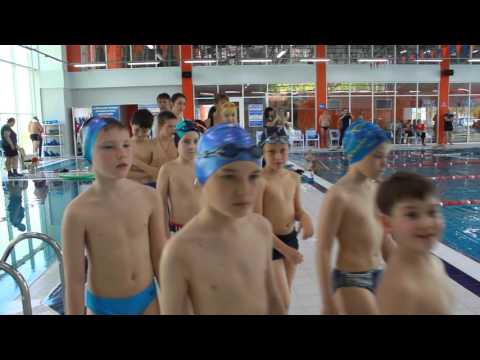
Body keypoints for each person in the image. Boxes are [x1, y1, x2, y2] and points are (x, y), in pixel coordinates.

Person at [160, 123, 286, 315]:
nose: (244, 190)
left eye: (253, 176)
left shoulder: (261, 228)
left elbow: (274, 299)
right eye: (228, 177)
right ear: (202, 178)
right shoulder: (180, 251)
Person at [62, 117, 166, 315]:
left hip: (147, 300)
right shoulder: (77, 212)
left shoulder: (149, 198)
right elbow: (74, 281)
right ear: (88, 153)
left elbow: (160, 258)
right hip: (103, 306)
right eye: (108, 147)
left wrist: (175, 304)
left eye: (126, 145)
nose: (122, 153)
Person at [316, 120, 395, 315]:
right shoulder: (339, 195)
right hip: (350, 280)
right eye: (378, 156)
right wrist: (327, 301)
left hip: (379, 274)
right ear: (357, 154)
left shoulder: (376, 188)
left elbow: (384, 238)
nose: (385, 163)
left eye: (385, 156)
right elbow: (323, 249)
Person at [376, 172, 454, 315]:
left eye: (432, 212)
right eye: (412, 214)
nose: (426, 223)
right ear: (387, 223)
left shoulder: (433, 261)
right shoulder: (400, 288)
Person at [256, 132, 314, 309]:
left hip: (290, 239)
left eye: (283, 150)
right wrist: (287, 251)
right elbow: (258, 223)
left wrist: (306, 218)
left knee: (282, 302)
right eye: (272, 152)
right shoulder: (259, 180)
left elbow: (297, 210)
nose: (278, 156)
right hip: (269, 244)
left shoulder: (293, 178)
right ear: (263, 153)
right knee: (282, 301)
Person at [156, 120, 202, 237]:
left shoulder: (205, 167)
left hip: (204, 229)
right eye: (186, 141)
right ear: (177, 143)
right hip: (178, 230)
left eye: (196, 141)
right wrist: (164, 232)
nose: (192, 146)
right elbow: (160, 204)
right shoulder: (167, 169)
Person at [146, 111, 179, 181]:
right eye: (170, 126)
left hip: (175, 184)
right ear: (160, 126)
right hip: (155, 186)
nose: (174, 129)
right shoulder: (150, 144)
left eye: (175, 126)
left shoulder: (179, 143)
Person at [127, 109, 156, 187]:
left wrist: (136, 162)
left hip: (148, 188)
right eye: (136, 130)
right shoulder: (123, 145)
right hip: (127, 188)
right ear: (131, 124)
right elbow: (118, 173)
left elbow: (157, 173)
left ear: (149, 129)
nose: (139, 134)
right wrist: (147, 172)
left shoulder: (153, 145)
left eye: (144, 131)